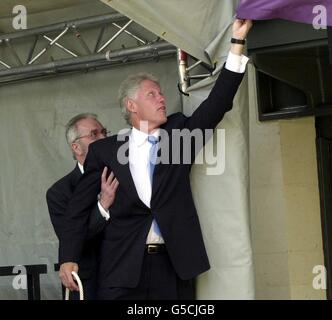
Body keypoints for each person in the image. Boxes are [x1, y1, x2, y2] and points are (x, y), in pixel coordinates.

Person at [60, 18, 253, 299]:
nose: (161, 99)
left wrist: (236, 44)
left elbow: (218, 104)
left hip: (173, 267)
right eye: (152, 94)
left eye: (161, 93)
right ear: (131, 105)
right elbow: (76, 211)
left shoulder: (179, 134)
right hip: (122, 269)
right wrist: (68, 257)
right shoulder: (105, 151)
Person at [46, 113, 119, 299]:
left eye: (104, 132)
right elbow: (74, 239)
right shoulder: (59, 192)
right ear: (76, 147)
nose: (103, 138)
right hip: (89, 283)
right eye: (94, 134)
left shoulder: (122, 175)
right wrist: (102, 206)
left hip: (127, 275)